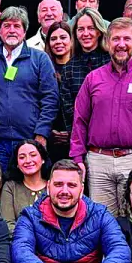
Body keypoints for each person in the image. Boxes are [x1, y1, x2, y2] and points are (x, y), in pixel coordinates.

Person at [70, 18, 132, 211]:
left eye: (126, 39)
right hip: (98, 162)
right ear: (107, 42)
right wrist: (77, 159)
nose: (121, 45)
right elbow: (80, 121)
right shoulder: (93, 79)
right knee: (101, 222)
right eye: (115, 39)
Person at [0, 6, 58, 172]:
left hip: (30, 140)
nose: (12, 30)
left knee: (31, 189)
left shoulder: (40, 59)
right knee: (1, 190)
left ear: (25, 31)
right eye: (7, 26)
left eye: (17, 26)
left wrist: (41, 133)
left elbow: (50, 98)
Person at [45, 20, 81, 162]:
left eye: (63, 37)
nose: (58, 42)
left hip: (76, 138)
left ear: (72, 40)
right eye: (53, 39)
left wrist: (71, 133)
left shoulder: (80, 67)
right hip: (50, 137)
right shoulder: (43, 68)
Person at [0, 138, 50, 233]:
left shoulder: (53, 185)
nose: (28, 160)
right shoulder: (10, 187)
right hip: (19, 243)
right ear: (17, 164)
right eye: (22, 157)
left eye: (33, 155)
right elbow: (8, 224)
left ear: (43, 159)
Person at [71, 7, 109, 74]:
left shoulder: (111, 62)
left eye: (91, 28)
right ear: (75, 33)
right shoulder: (69, 68)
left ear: (99, 32)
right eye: (81, 29)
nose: (85, 34)